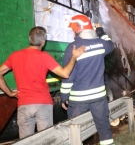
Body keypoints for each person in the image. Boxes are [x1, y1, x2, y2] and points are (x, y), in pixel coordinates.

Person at [0, 26, 86, 139]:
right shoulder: (44, 57)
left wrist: (10, 93)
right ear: (43, 42)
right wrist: (74, 57)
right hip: (43, 104)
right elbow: (65, 74)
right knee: (46, 140)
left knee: (26, 142)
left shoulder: (15, 56)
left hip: (23, 105)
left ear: (29, 39)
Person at [60, 14, 115, 145]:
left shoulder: (73, 48)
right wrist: (101, 31)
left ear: (78, 30)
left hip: (78, 100)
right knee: (104, 128)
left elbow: (68, 76)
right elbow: (111, 45)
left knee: (75, 131)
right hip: (99, 97)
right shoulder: (101, 44)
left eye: (73, 30)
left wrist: (64, 97)